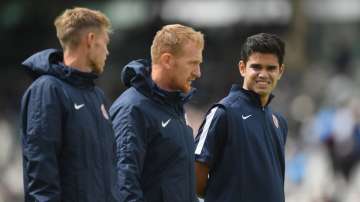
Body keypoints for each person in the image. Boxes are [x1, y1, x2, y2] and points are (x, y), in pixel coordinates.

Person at [20, 7, 118, 202]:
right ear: (90, 39)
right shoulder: (48, 90)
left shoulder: (97, 96)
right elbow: (41, 172)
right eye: (105, 43)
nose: (107, 52)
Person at [110, 24, 204, 202]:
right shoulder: (132, 109)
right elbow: (124, 186)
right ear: (167, 60)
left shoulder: (175, 106)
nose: (198, 73)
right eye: (193, 63)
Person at [194, 33, 287, 202]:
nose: (263, 74)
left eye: (271, 68)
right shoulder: (223, 113)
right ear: (242, 68)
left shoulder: (279, 122)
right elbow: (195, 176)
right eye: (256, 67)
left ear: (280, 71)